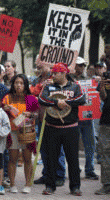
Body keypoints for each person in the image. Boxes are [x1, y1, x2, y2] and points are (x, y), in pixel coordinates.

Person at [38, 62, 86, 196]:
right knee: (51, 158)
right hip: (52, 128)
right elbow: (41, 99)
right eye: (52, 73)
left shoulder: (75, 86)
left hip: (70, 128)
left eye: (55, 73)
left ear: (64, 73)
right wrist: (55, 102)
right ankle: (50, 186)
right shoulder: (48, 86)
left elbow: (82, 99)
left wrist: (66, 102)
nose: (52, 75)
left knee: (72, 158)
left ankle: (75, 187)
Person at [2, 74, 39, 194]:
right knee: (12, 159)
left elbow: (38, 114)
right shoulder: (7, 98)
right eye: (16, 83)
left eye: (21, 83)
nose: (18, 85)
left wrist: (31, 115)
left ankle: (28, 184)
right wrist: (5, 108)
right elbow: (0, 111)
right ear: (13, 84)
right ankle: (12, 185)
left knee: (27, 159)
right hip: (12, 132)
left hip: (27, 132)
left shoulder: (32, 98)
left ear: (25, 85)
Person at [32, 63, 66, 187]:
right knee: (44, 149)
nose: (38, 66)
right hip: (42, 120)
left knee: (58, 149)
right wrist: (41, 87)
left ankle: (59, 175)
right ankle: (47, 174)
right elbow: (31, 93)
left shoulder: (58, 80)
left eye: (42, 64)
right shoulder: (37, 80)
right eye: (38, 63)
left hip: (55, 119)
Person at [70, 57, 99, 180]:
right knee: (72, 145)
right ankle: (75, 169)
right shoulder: (68, 79)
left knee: (90, 144)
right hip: (73, 117)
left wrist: (98, 81)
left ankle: (90, 169)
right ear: (74, 66)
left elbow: (96, 95)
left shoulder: (89, 80)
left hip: (87, 117)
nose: (81, 67)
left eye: (83, 65)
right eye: (79, 65)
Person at [95, 52, 110, 195]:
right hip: (106, 120)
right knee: (105, 153)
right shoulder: (106, 77)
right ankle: (106, 184)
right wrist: (102, 88)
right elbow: (103, 98)